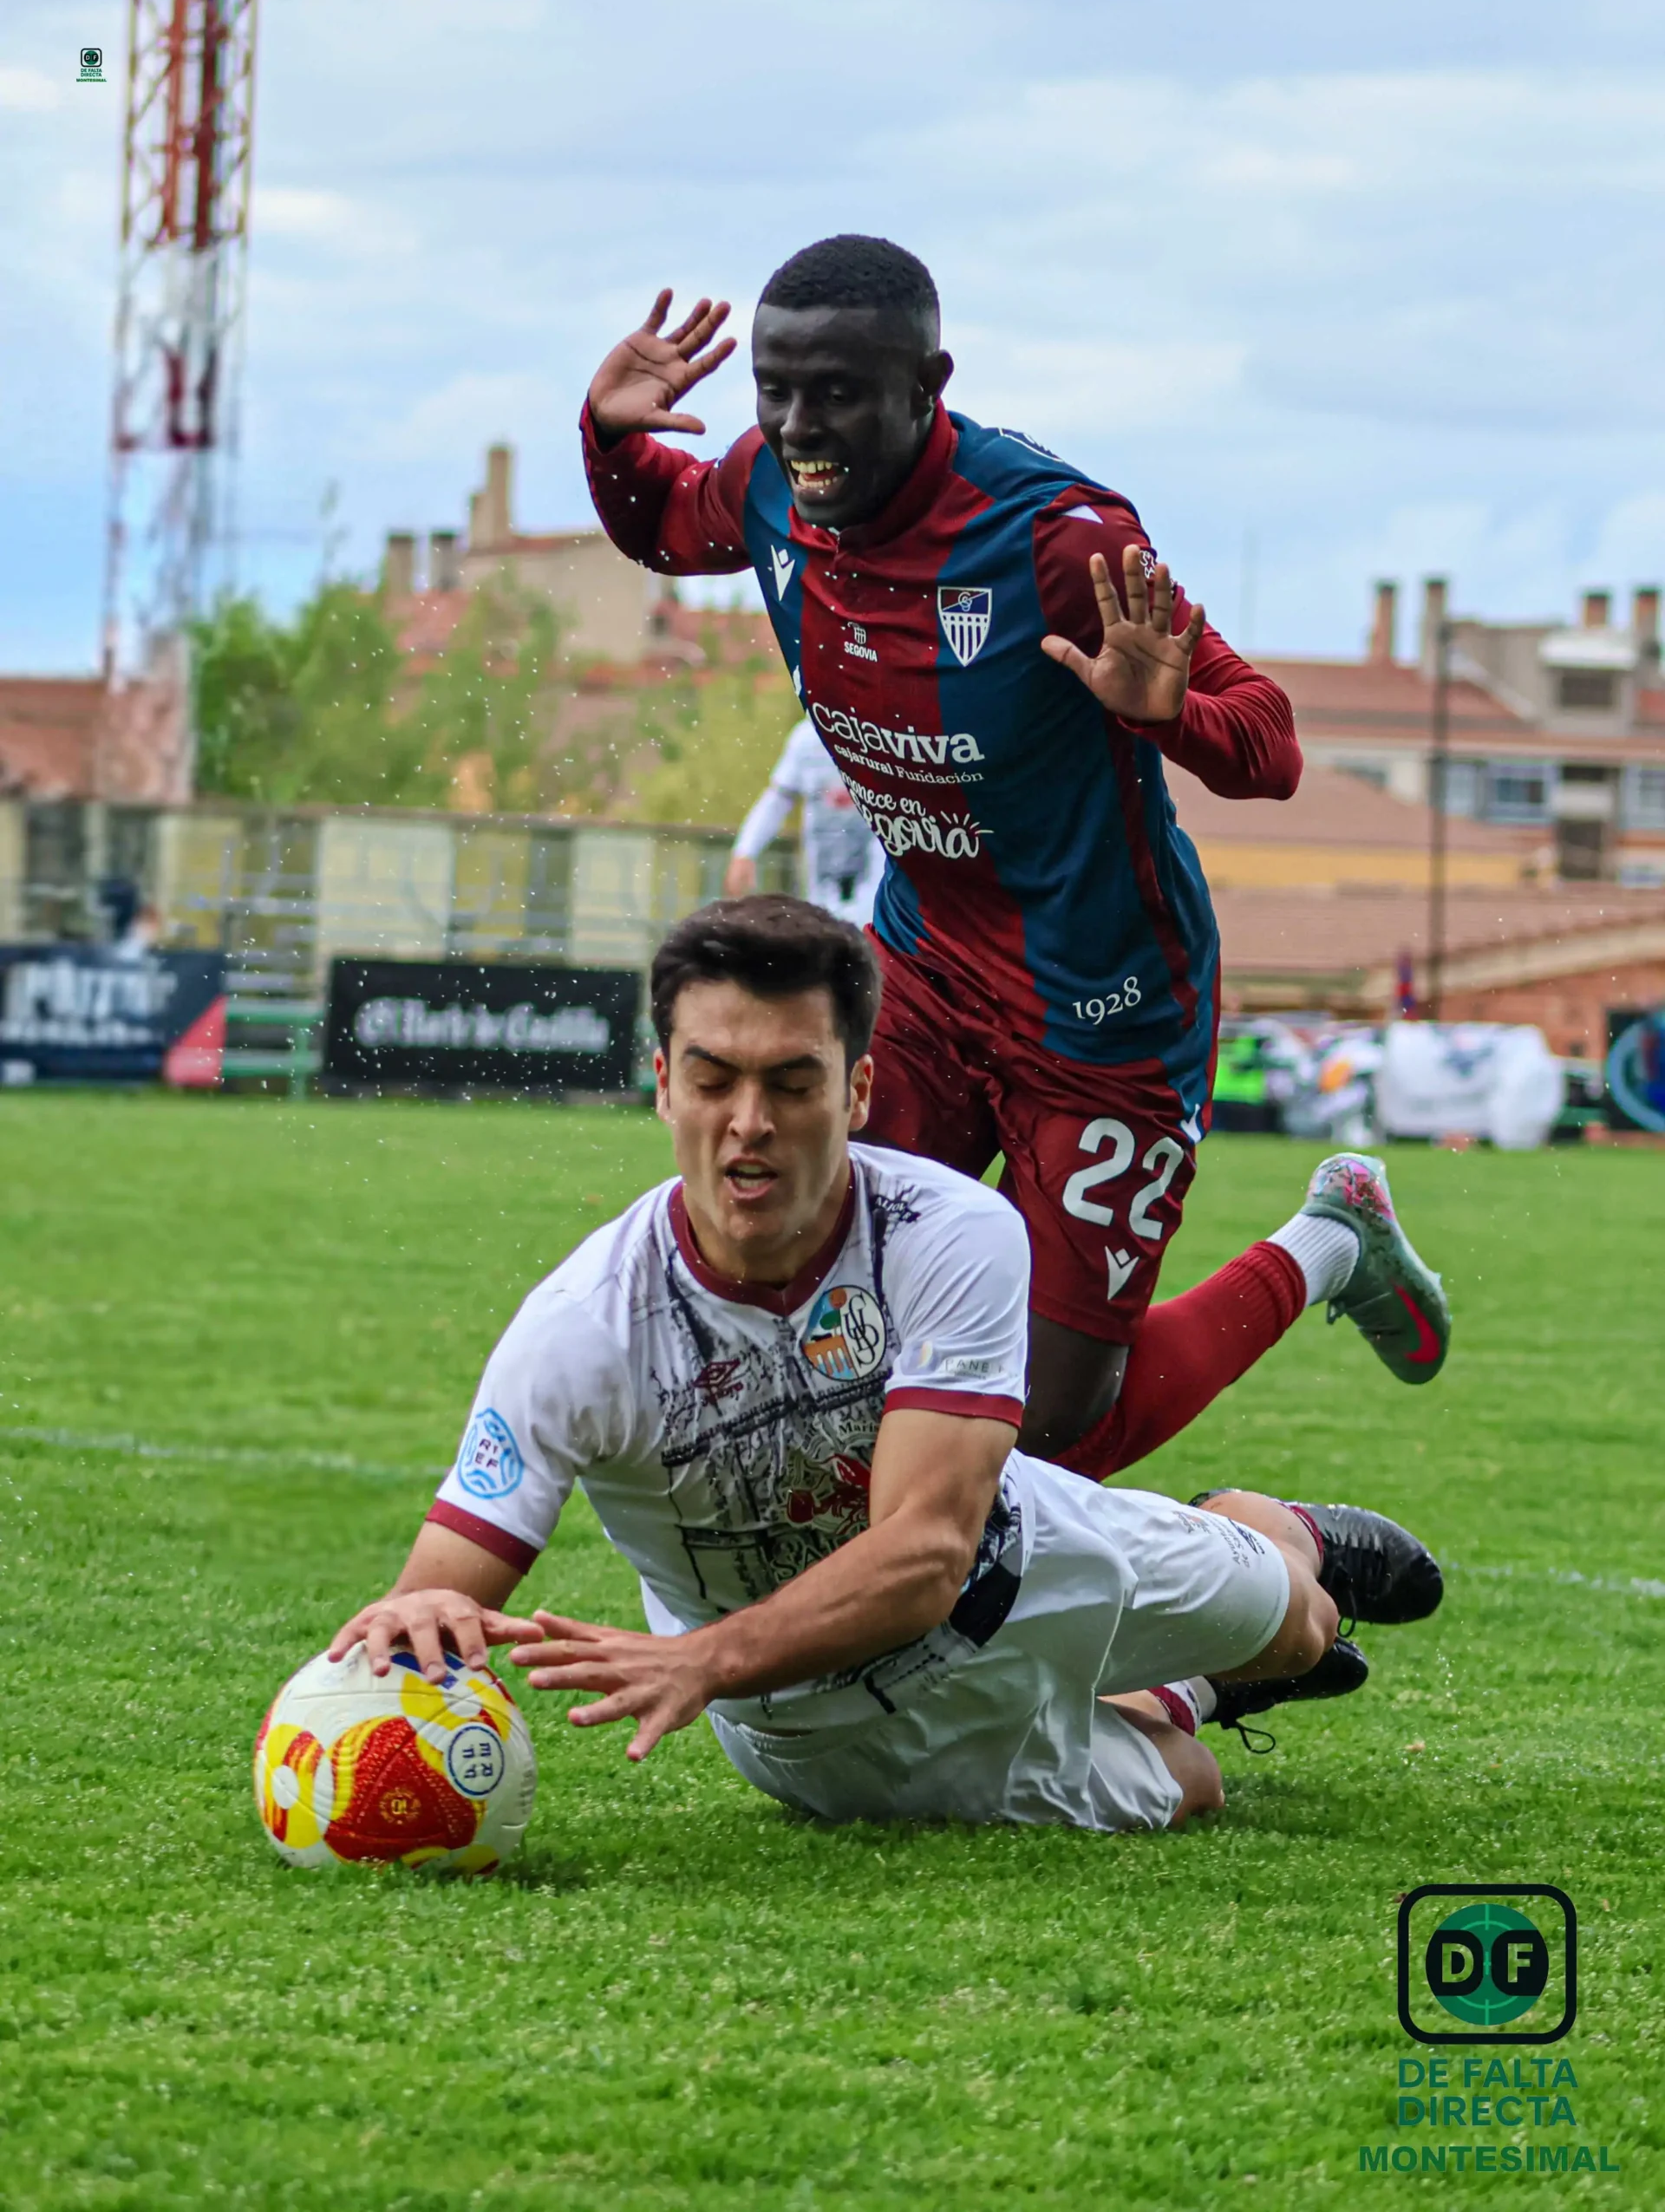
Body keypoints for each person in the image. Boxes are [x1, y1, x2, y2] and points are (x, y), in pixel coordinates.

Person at [578, 236, 1452, 1484]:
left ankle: (1330, 1243)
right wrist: (610, 437)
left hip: (1105, 1007)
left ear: (930, 383)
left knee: (1046, 1428)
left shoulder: (1056, 538)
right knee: (818, 1310)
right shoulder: (776, 480)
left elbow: (1271, 746)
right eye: (774, 390)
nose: (796, 425)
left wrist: (1168, 714)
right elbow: (664, 523)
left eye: (835, 394)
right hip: (922, 973)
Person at [326, 897, 1442, 1836]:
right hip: (829, 1731)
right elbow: (440, 1585)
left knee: (1302, 1623)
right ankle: (1182, 1691)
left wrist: (703, 1656)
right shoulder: (580, 1326)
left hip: (1028, 1550)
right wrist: (376, 1667)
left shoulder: (949, 1228)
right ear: (662, 1083)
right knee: (1190, 1784)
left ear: (858, 1093)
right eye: (713, 1079)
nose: (747, 1124)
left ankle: (1263, 1527)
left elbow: (926, 1552)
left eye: (793, 1083)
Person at [725, 715, 886, 926]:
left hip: (875, 883)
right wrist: (745, 851)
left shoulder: (886, 736)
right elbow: (778, 798)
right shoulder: (807, 738)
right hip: (822, 885)